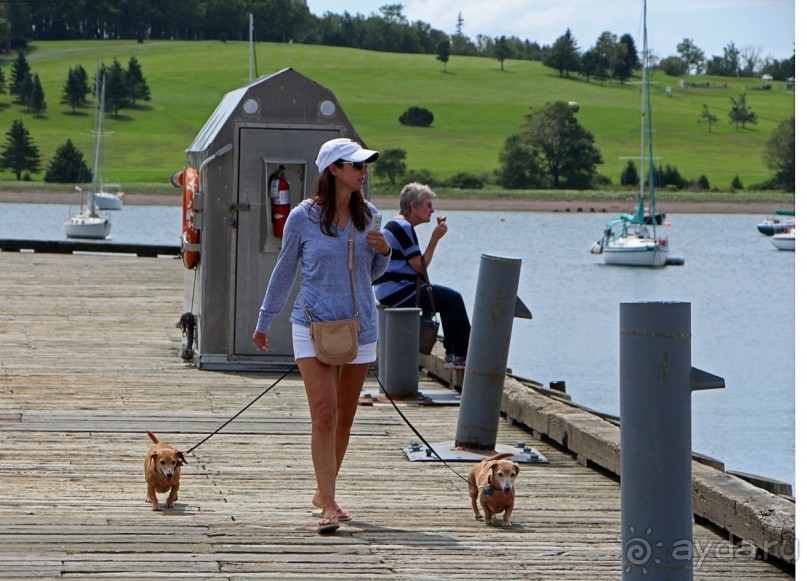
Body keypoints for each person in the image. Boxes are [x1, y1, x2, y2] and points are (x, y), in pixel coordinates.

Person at [252, 137, 391, 534]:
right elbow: (285, 270)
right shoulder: (302, 217)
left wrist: (384, 252)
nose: (363, 172)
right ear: (333, 169)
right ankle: (329, 505)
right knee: (325, 415)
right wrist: (265, 319)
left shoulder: (370, 216)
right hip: (311, 325)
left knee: (345, 418)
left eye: (365, 166)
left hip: (360, 327)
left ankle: (323, 491)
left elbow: (371, 274)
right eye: (356, 165)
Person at [373, 182, 470, 369]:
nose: (432, 210)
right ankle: (461, 355)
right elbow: (419, 266)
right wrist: (435, 239)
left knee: (447, 300)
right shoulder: (402, 226)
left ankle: (453, 354)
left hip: (391, 289)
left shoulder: (398, 225)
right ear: (413, 206)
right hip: (397, 290)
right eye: (428, 205)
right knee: (454, 299)